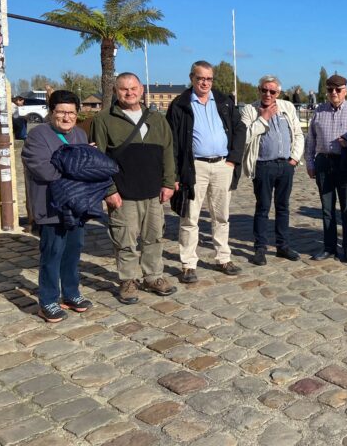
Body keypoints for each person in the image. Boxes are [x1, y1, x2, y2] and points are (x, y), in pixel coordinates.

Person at [91, 73, 178, 304]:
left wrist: (169, 183)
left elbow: (168, 152)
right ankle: (128, 280)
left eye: (133, 88)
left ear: (141, 89)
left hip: (153, 192)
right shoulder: (104, 119)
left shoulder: (156, 119)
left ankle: (153, 276)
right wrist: (108, 190)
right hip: (123, 193)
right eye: (123, 89)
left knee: (154, 237)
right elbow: (97, 159)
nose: (129, 93)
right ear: (115, 91)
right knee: (125, 240)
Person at [166, 61, 247, 283]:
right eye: (201, 78)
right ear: (192, 78)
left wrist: (233, 159)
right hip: (194, 167)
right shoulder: (180, 105)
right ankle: (188, 264)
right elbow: (171, 142)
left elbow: (240, 129)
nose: (205, 82)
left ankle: (223, 257)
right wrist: (173, 175)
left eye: (209, 79)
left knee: (221, 216)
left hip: (222, 165)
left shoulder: (223, 101)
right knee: (190, 217)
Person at [22, 91, 91, 322]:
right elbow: (43, 169)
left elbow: (88, 166)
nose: (66, 117)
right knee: (52, 253)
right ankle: (48, 300)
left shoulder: (80, 134)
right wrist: (78, 167)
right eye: (61, 111)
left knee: (73, 251)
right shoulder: (38, 136)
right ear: (51, 113)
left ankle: (71, 293)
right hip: (50, 206)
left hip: (76, 206)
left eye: (71, 112)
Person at [305, 74, 347, 262]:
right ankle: (329, 247)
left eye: (338, 89)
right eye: (330, 90)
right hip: (324, 163)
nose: (334, 93)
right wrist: (310, 163)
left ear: (345, 91)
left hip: (346, 163)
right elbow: (310, 140)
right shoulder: (319, 111)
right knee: (327, 209)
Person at [240, 75, 304, 265]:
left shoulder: (287, 107)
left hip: (285, 165)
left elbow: (298, 134)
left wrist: (294, 158)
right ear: (258, 90)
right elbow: (243, 137)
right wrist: (263, 119)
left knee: (283, 207)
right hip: (263, 166)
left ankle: (282, 246)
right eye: (264, 90)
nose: (268, 94)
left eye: (272, 91)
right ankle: (260, 248)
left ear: (278, 93)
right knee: (263, 207)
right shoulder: (250, 110)